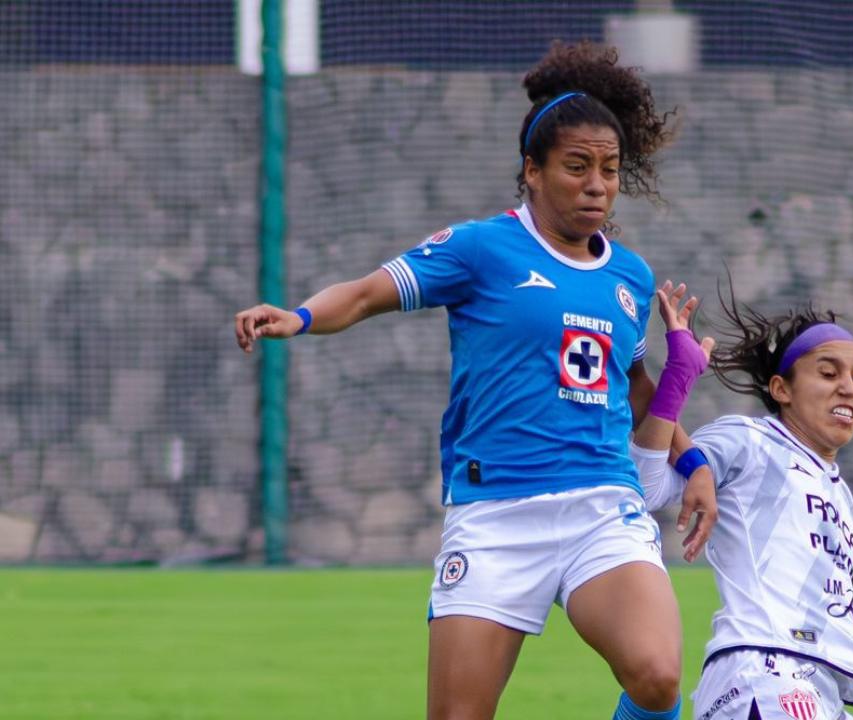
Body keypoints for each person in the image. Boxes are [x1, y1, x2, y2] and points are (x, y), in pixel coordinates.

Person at [233, 41, 718, 720]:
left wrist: (690, 459)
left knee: (659, 676)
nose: (597, 185)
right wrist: (301, 316)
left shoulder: (629, 277)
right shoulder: (480, 249)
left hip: (600, 508)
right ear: (532, 171)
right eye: (577, 167)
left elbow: (631, 390)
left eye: (609, 170)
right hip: (495, 517)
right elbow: (371, 292)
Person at [632, 290, 853, 719]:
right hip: (765, 672)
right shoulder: (749, 441)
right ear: (780, 388)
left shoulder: (840, 493)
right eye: (828, 373)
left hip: (815, 684)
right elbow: (647, 483)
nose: (848, 387)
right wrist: (677, 378)